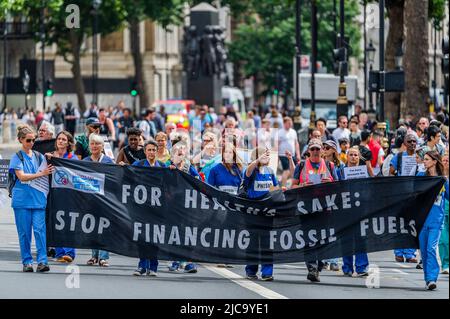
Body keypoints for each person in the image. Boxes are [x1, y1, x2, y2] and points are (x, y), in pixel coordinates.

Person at [9, 124, 54, 272]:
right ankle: (27, 262)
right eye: (28, 140)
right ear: (21, 140)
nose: (31, 143)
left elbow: (53, 164)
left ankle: (42, 261)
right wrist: (41, 174)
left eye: (33, 140)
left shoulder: (39, 156)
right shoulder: (17, 157)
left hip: (38, 200)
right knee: (25, 233)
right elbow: (22, 177)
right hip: (22, 201)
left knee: (40, 231)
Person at [291, 139, 334, 282]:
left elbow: (341, 186)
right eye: (313, 149)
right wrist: (303, 185)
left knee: (324, 239)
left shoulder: (329, 165)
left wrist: (331, 183)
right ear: (309, 151)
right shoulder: (301, 165)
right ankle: (312, 268)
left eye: (318, 149)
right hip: (307, 208)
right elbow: (293, 187)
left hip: (325, 208)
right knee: (309, 239)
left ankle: (319, 265)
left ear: (322, 150)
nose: (315, 152)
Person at [244, 147, 280, 281]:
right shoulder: (251, 170)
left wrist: (279, 189)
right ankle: (251, 270)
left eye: (268, 155)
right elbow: (247, 173)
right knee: (253, 243)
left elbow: (274, 189)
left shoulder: (270, 171)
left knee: (267, 244)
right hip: (253, 214)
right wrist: (257, 160)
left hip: (267, 214)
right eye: (265, 155)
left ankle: (267, 272)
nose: (268, 157)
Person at [132, 140, 165, 276]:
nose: (151, 152)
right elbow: (128, 177)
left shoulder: (163, 166)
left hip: (157, 208)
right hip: (142, 207)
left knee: (154, 237)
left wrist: (174, 172)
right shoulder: (138, 164)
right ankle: (142, 266)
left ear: (157, 152)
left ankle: (153, 267)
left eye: (153, 150)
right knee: (142, 237)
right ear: (145, 151)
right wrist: (122, 167)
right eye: (149, 150)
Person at [417, 151, 449, 290]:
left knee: (431, 248)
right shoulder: (420, 177)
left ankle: (432, 278)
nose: (424, 162)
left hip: (436, 220)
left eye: (427, 159)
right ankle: (427, 278)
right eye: (423, 159)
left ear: (435, 161)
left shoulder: (443, 179)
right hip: (422, 220)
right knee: (424, 251)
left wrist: (446, 182)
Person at [45, 131, 77, 263]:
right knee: (55, 221)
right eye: (59, 139)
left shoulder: (72, 157)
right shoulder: (50, 156)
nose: (61, 141)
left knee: (69, 222)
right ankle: (60, 253)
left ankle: (70, 252)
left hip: (69, 194)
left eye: (64, 139)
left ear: (69, 142)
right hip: (52, 193)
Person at [168, 141, 200, 273]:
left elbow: (198, 180)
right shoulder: (168, 166)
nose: (180, 152)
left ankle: (188, 262)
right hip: (172, 204)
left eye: (182, 150)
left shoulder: (189, 166)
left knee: (188, 232)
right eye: (177, 151)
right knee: (174, 232)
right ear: (172, 154)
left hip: (187, 205)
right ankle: (174, 261)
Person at [83, 134, 115, 267]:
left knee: (104, 228)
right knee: (92, 227)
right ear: (89, 146)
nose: (95, 146)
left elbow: (114, 179)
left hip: (105, 199)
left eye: (97, 144)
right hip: (90, 200)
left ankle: (103, 257)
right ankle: (94, 256)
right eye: (92, 144)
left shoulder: (108, 161)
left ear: (102, 146)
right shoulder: (85, 161)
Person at [341, 147, 370, 277]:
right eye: (351, 155)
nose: (353, 157)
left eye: (356, 155)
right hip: (345, 210)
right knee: (346, 239)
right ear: (347, 157)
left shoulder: (364, 172)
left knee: (361, 238)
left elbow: (369, 189)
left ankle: (361, 267)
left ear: (359, 157)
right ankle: (347, 267)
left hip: (360, 209)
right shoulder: (340, 171)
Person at [278, 117, 300, 187]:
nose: (290, 124)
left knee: (293, 172)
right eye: (288, 123)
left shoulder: (293, 131)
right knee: (286, 171)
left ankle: (285, 184)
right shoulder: (280, 132)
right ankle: (283, 188)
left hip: (292, 154)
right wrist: (276, 155)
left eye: (291, 123)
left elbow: (296, 143)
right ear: (284, 123)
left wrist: (298, 154)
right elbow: (277, 144)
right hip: (283, 154)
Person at [439, 151, 449, 275]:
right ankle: (445, 264)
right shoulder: (438, 177)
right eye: (444, 160)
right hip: (442, 210)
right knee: (443, 239)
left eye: (448, 161)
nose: (446, 163)